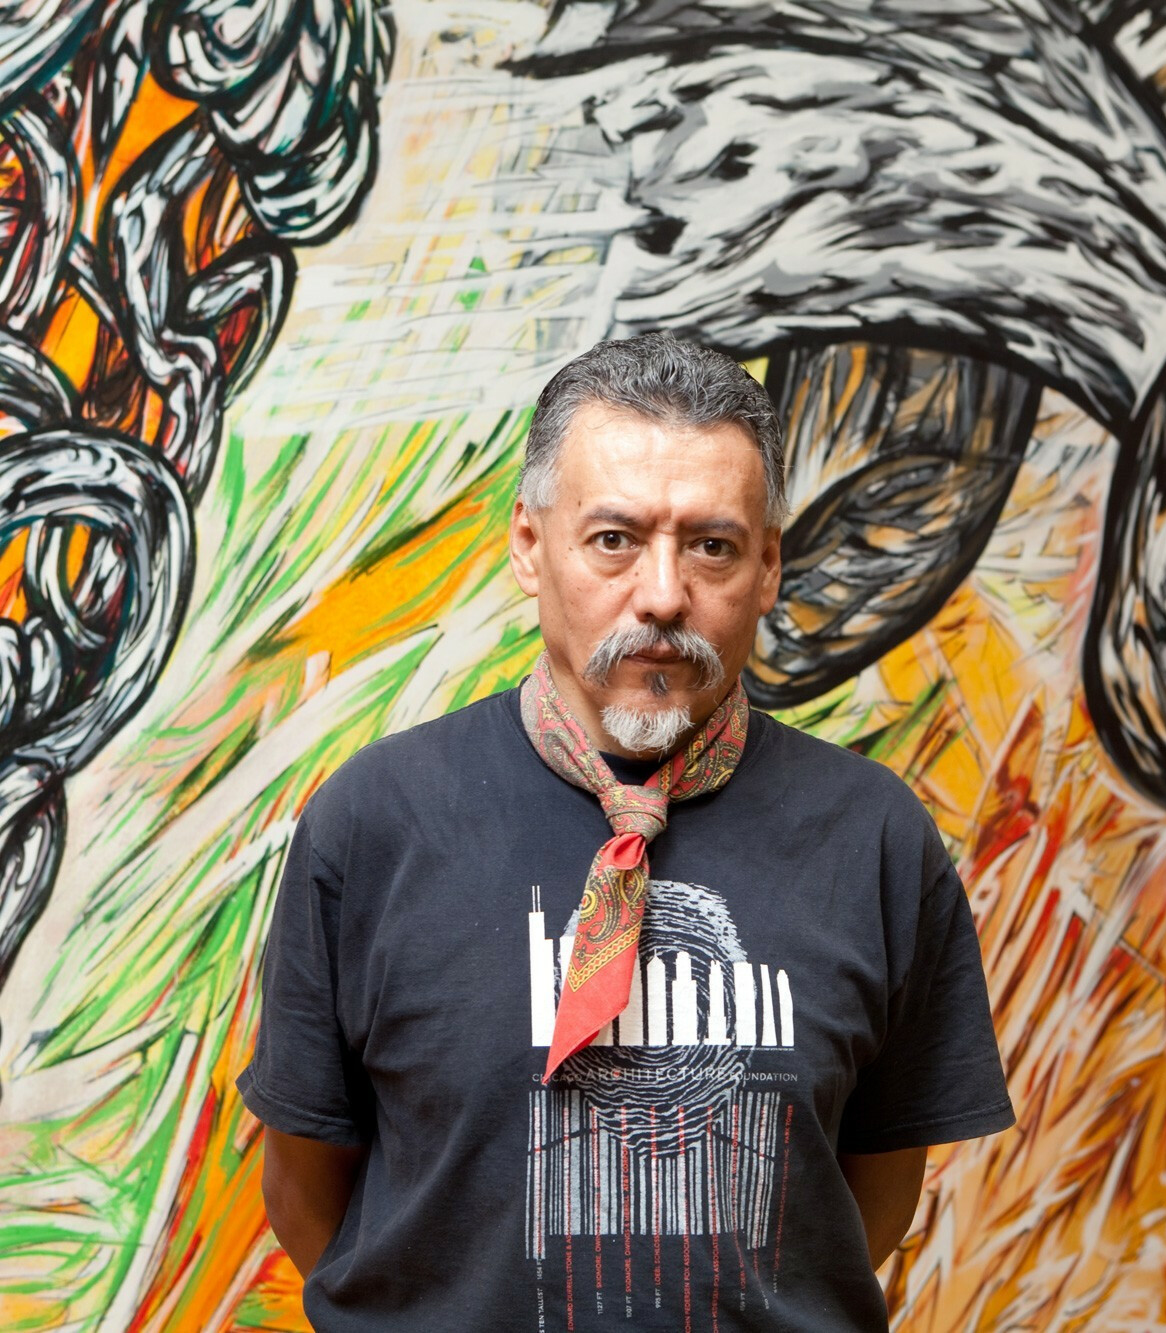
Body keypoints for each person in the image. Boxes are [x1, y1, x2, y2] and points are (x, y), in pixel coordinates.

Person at [238, 333, 1014, 1330]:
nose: (660, 594)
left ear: (768, 566)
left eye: (712, 545)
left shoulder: (872, 839)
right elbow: (306, 1193)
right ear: (529, 545)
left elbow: (866, 1195)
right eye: (613, 538)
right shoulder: (375, 823)